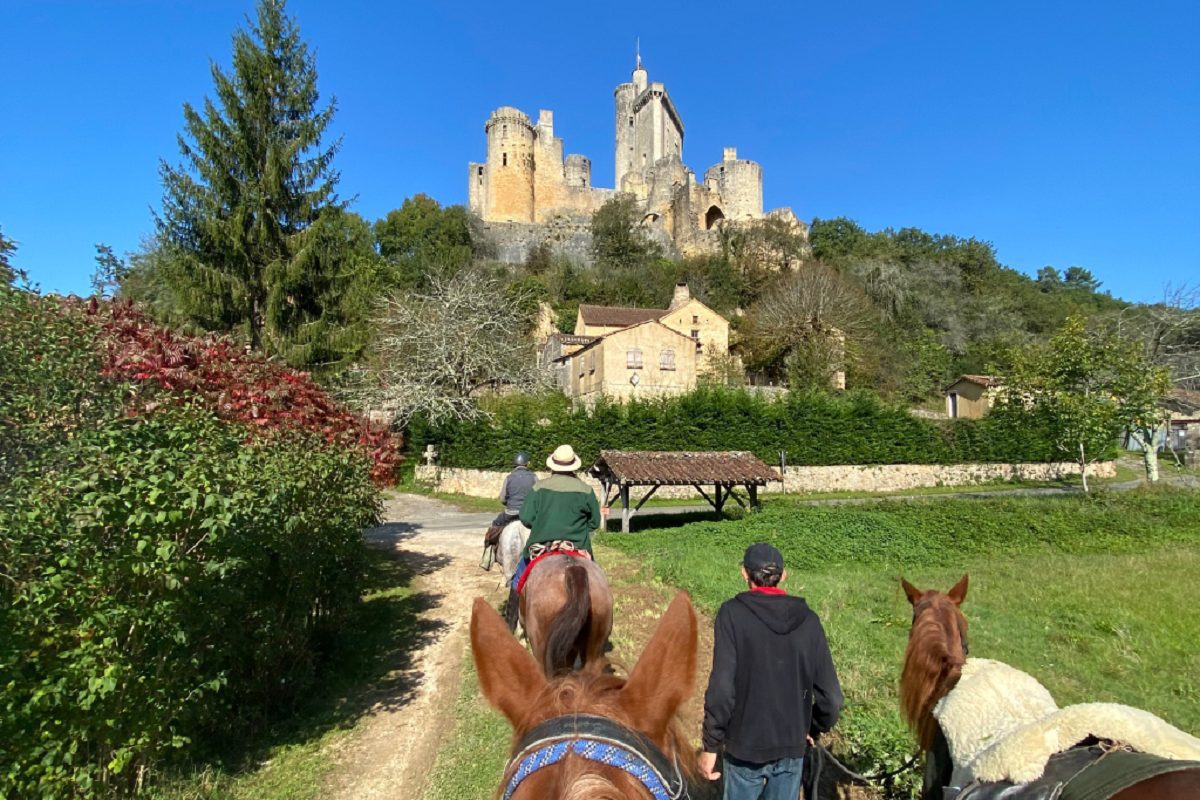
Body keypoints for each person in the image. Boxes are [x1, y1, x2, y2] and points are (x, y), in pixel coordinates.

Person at [698, 543, 843, 800]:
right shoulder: (809, 620)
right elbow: (832, 697)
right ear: (783, 576)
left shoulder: (731, 614)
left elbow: (722, 687)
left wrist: (711, 745)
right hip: (791, 747)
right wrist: (812, 727)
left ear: (745, 574)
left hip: (744, 749)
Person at [494, 452, 536, 528]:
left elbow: (502, 498)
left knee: (496, 524)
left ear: (515, 464)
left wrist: (510, 504)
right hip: (528, 514)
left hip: (510, 513)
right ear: (527, 464)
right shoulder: (534, 477)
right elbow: (538, 496)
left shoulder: (509, 478)